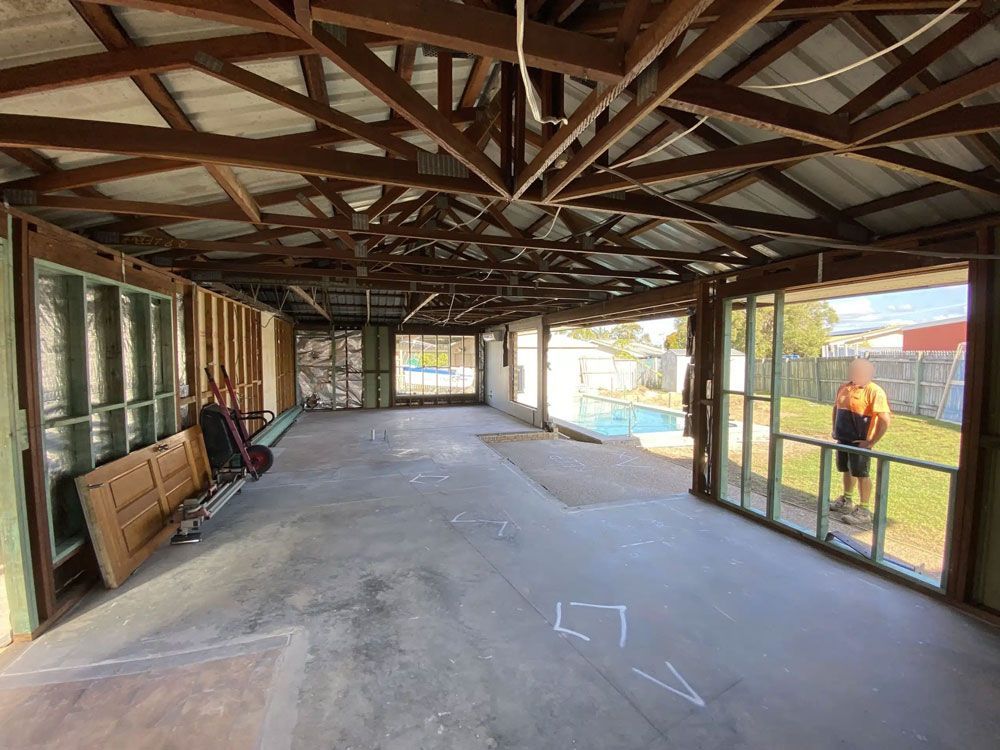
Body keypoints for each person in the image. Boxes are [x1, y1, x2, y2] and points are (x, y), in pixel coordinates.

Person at [830, 358, 892, 527]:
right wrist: (834, 429)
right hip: (843, 438)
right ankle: (847, 500)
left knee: (861, 474)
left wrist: (871, 441)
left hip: (860, 442)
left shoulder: (874, 391)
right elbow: (836, 408)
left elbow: (885, 419)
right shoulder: (844, 387)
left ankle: (864, 510)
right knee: (847, 469)